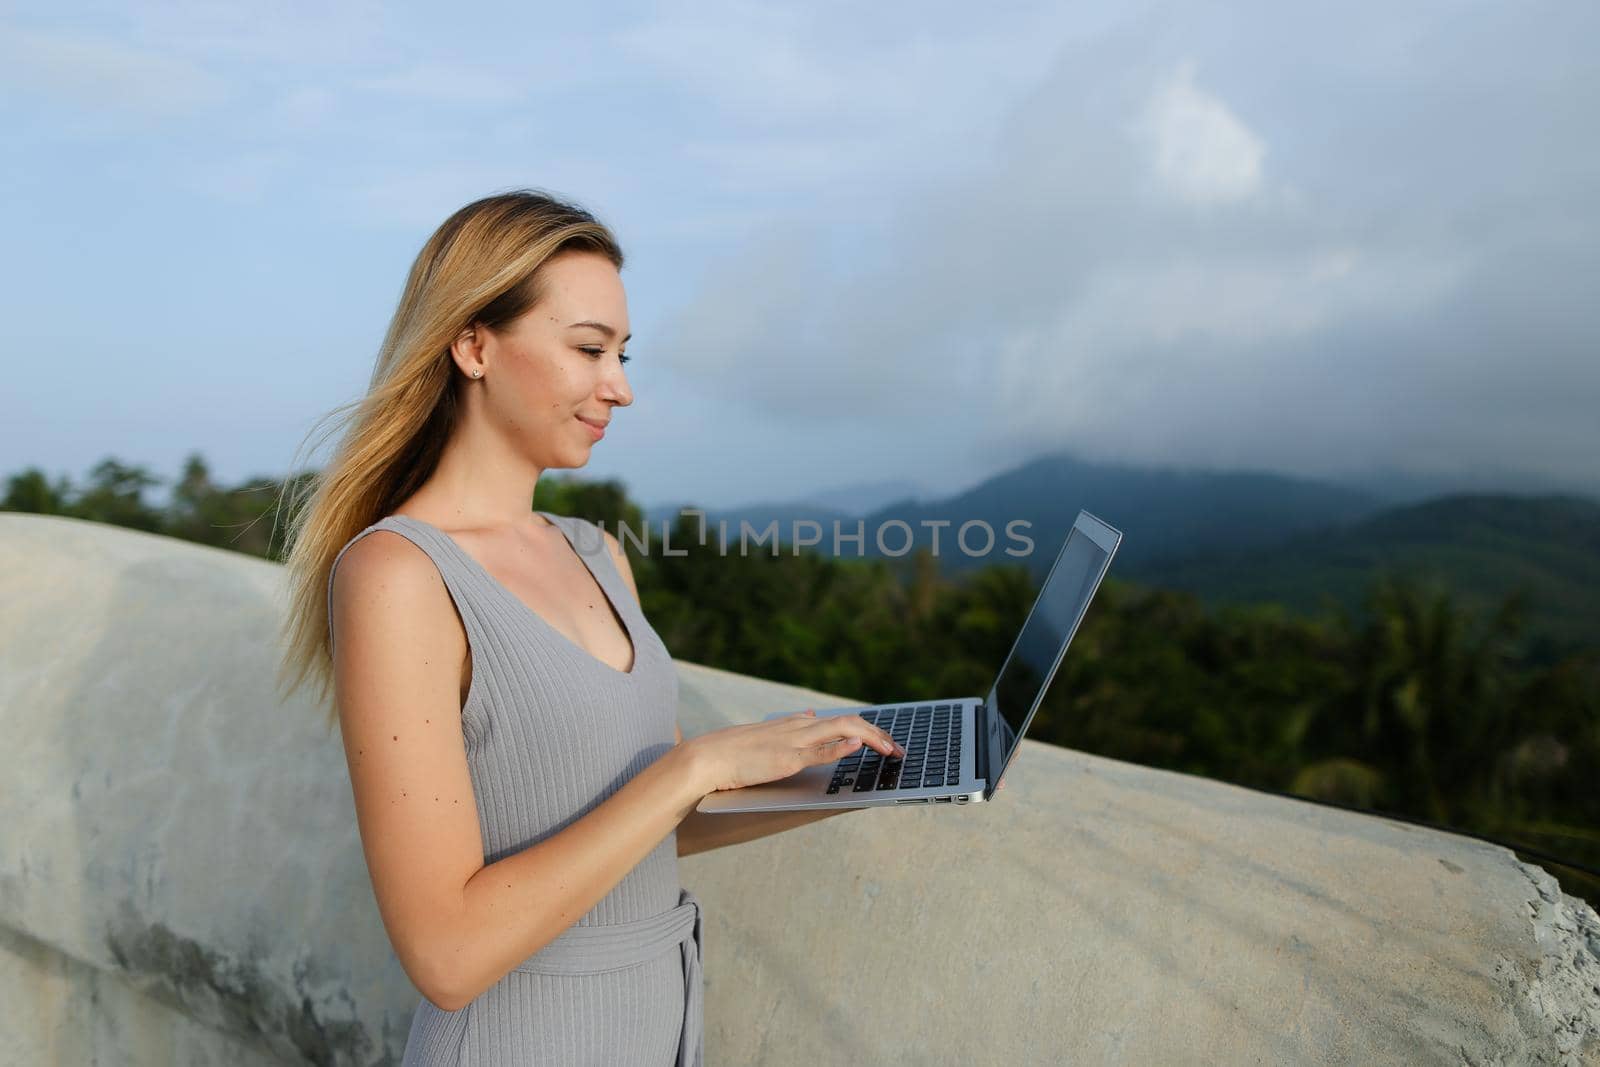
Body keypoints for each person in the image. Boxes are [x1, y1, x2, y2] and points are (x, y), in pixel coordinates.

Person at [273, 188, 933, 1066]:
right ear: (473, 344)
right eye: (589, 349)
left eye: (621, 353)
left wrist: (869, 774)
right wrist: (699, 760)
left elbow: (662, 820)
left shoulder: (594, 553)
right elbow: (446, 953)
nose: (618, 387)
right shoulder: (398, 576)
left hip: (656, 1023)